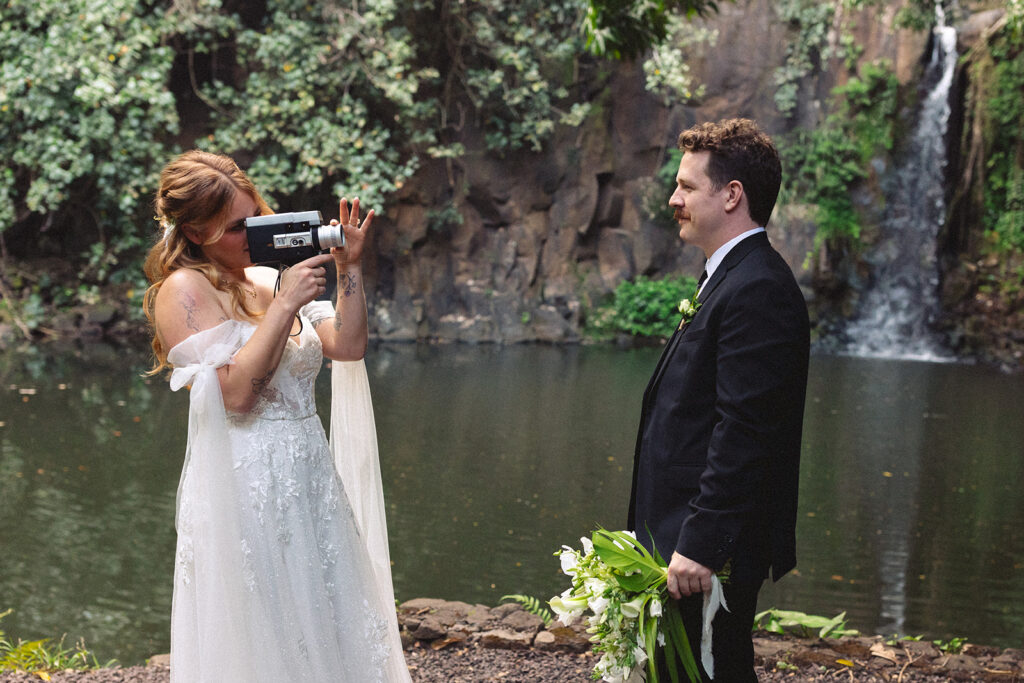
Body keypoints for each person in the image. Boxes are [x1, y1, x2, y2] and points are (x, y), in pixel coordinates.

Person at [143, 150, 411, 682]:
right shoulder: (184, 291)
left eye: (253, 218)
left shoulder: (268, 277)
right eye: (235, 228)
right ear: (195, 232)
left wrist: (348, 269)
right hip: (244, 486)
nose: (250, 235)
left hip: (309, 478)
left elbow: (348, 346)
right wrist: (285, 306)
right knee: (264, 630)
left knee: (326, 621)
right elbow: (235, 396)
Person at [628, 119, 810, 681]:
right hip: (682, 536)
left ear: (732, 195)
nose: (673, 198)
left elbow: (746, 431)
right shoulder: (729, 276)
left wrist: (702, 545)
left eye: (686, 186)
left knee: (712, 669)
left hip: (708, 552)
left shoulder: (758, 287)